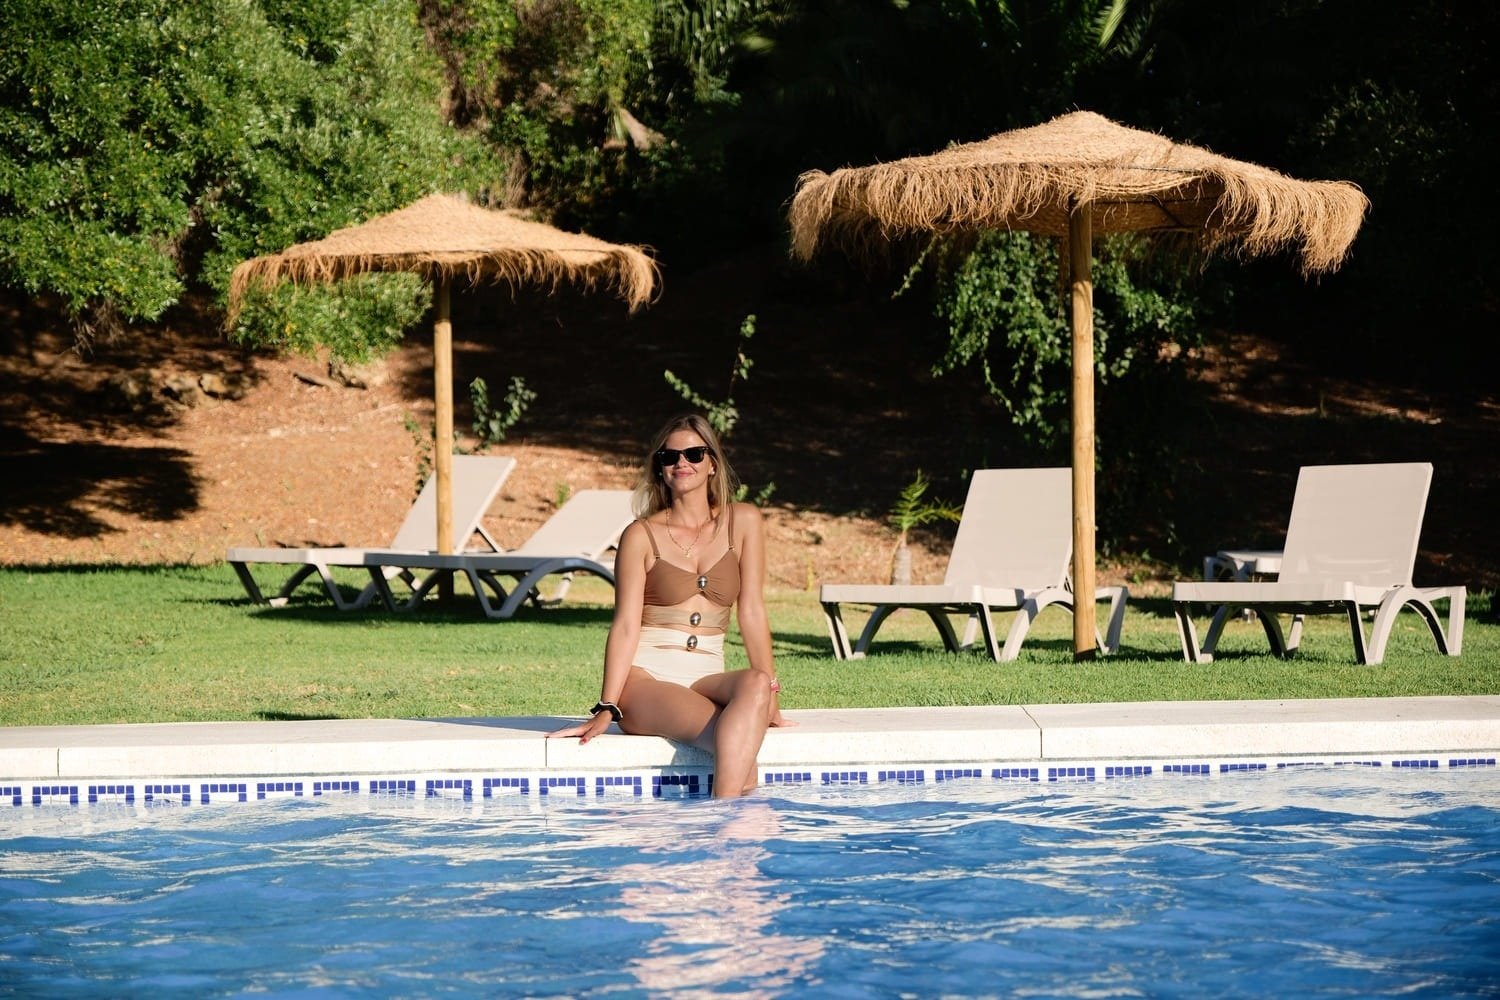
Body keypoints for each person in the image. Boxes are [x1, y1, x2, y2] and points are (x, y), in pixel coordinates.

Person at [549, 413, 791, 797]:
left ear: (713, 463)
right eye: (670, 456)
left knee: (757, 683)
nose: (682, 463)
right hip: (646, 680)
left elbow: (752, 611)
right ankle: (724, 831)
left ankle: (719, 832)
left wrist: (770, 697)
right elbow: (626, 625)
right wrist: (608, 705)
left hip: (706, 675)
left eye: (694, 454)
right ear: (659, 468)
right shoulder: (640, 536)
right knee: (740, 756)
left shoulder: (743, 521)